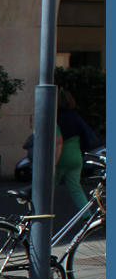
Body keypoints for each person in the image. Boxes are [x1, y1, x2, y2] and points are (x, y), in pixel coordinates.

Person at [54, 89, 97, 217]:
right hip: (76, 158)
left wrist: (54, 164)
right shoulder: (76, 117)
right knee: (76, 189)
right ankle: (87, 216)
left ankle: (40, 215)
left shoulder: (56, 118)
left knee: (46, 189)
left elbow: (58, 142)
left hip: (60, 158)